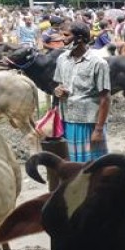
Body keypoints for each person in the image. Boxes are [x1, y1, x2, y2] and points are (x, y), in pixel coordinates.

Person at [53, 21, 111, 163]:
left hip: (88, 123)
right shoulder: (62, 59)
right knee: (71, 164)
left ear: (79, 38)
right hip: (66, 120)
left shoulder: (98, 63)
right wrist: (58, 90)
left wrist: (98, 130)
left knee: (93, 166)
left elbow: (105, 98)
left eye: (66, 35)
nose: (62, 38)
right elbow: (59, 84)